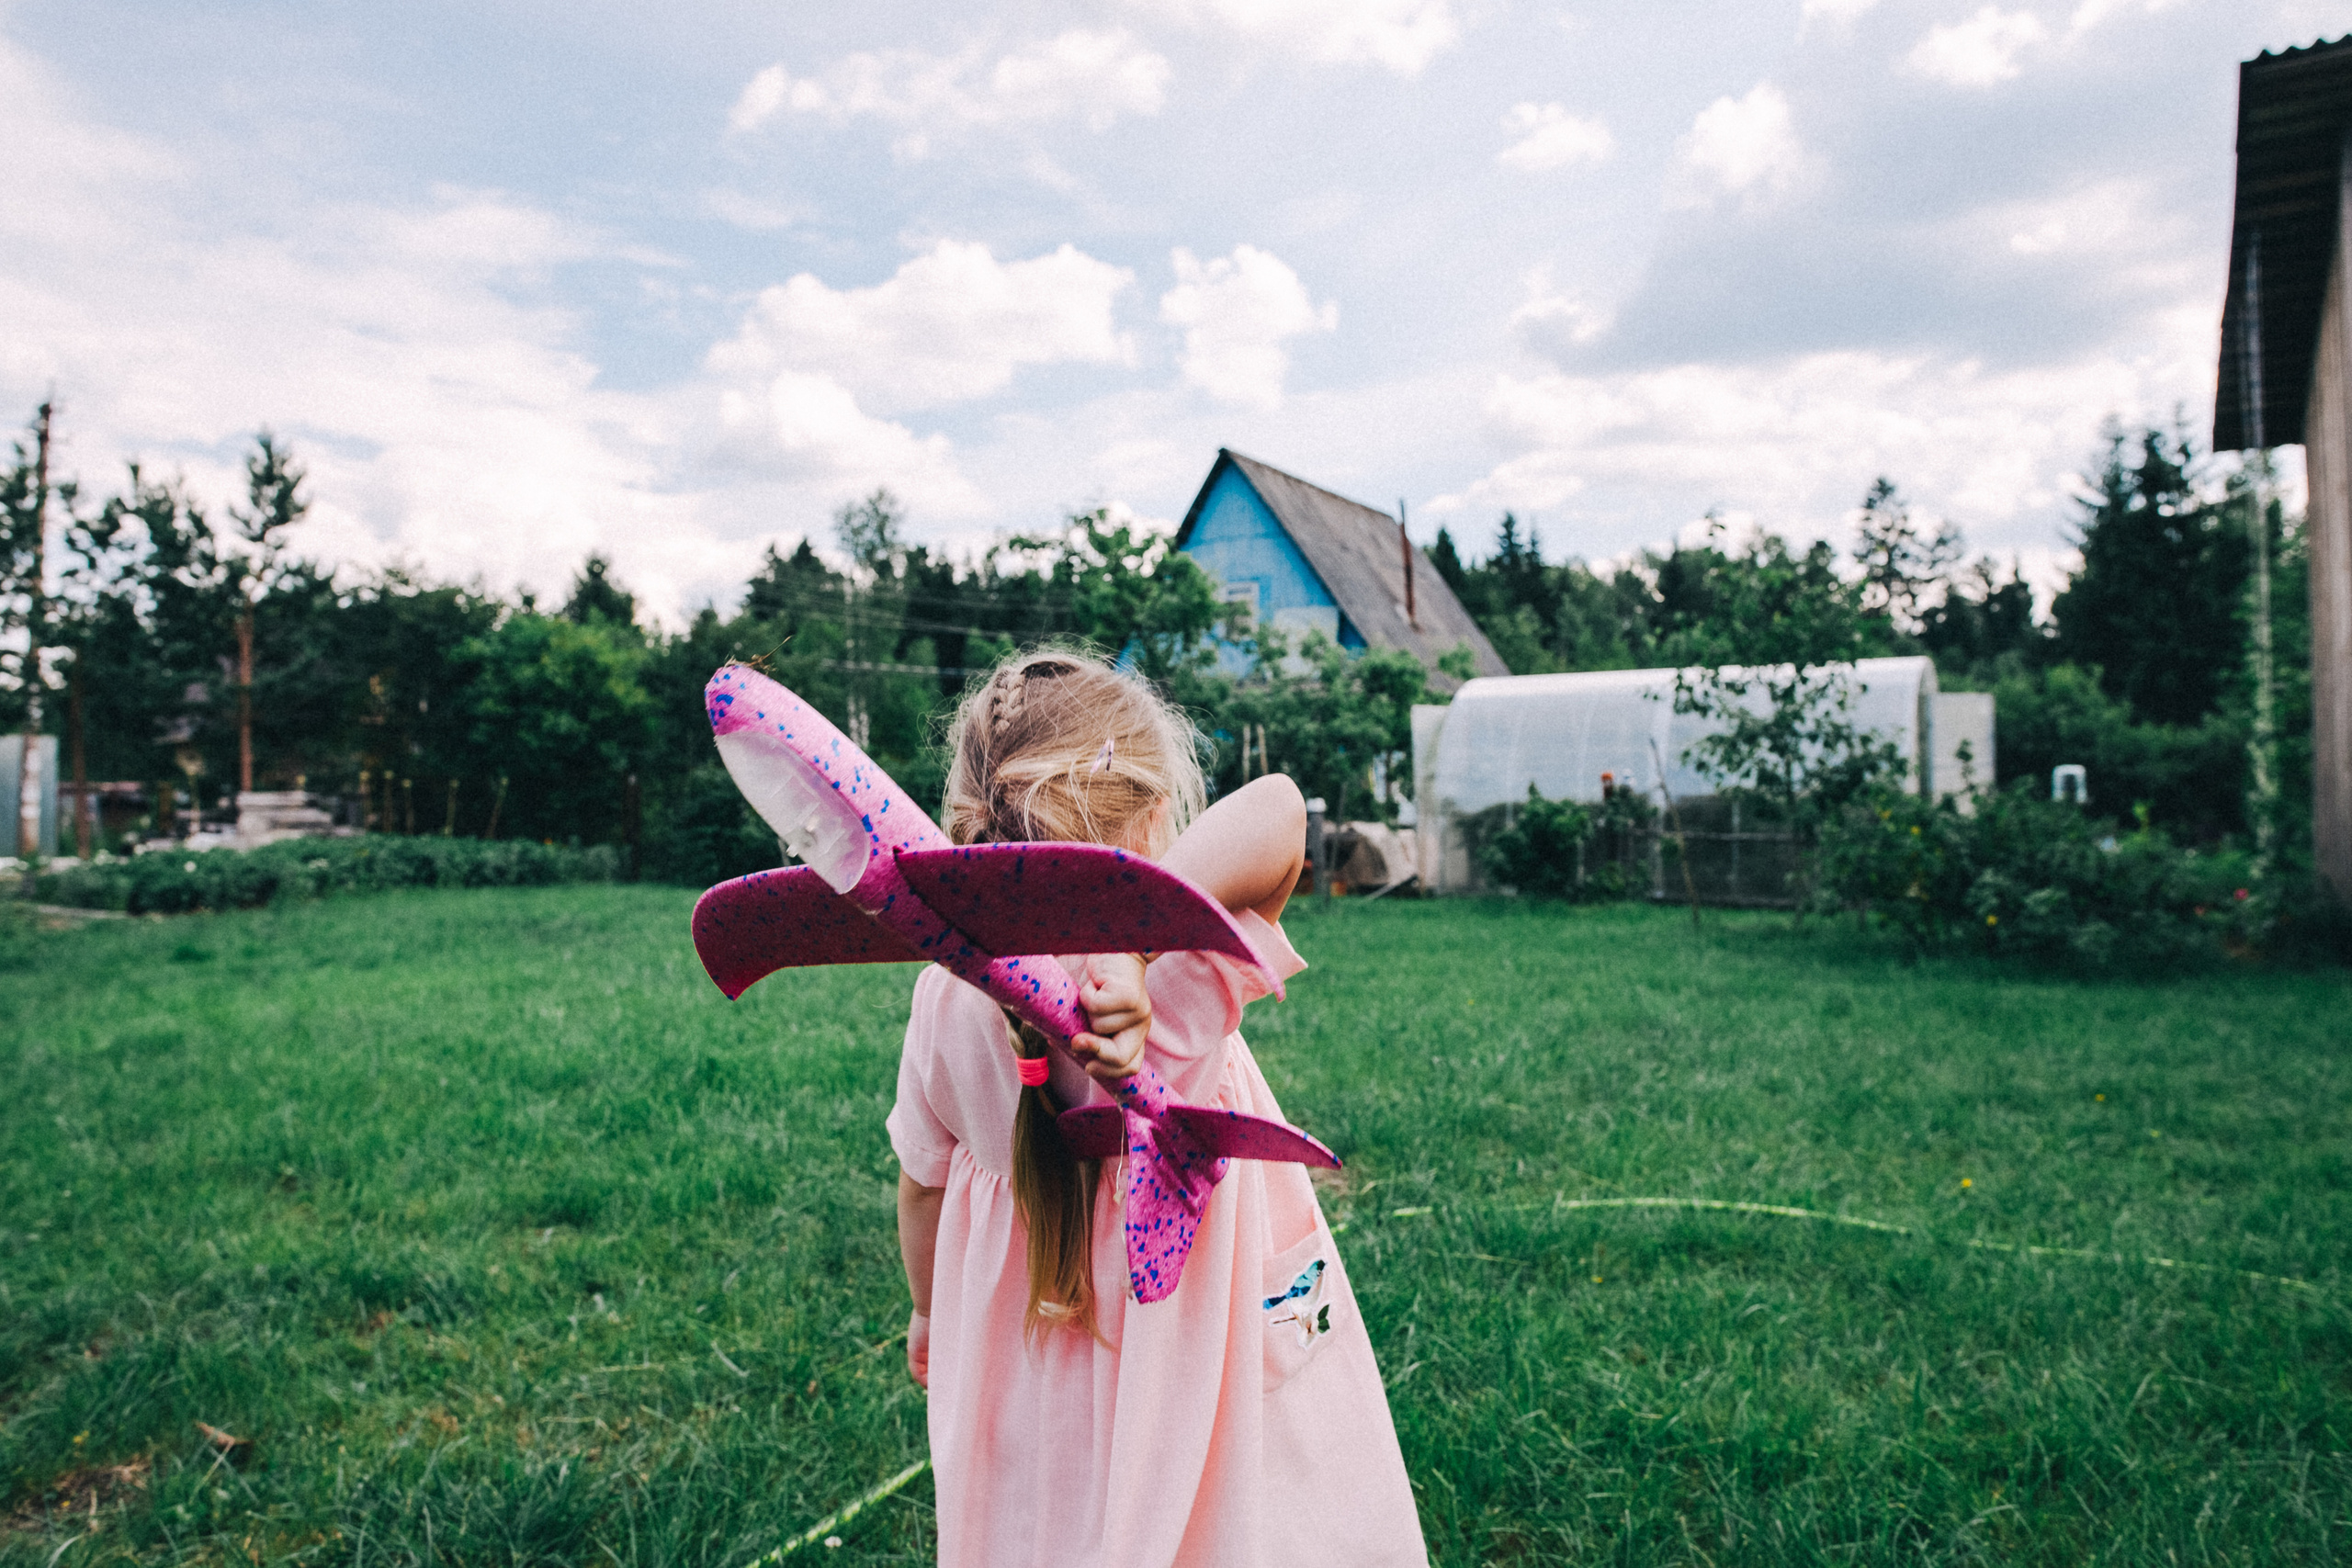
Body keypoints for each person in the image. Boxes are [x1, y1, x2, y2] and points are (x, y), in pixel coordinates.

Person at [888, 649, 1428, 1568]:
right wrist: (1140, 942)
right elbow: (1280, 811)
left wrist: (931, 1318)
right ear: (1149, 830)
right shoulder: (1168, 987)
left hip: (1019, 1357)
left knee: (1046, 1522)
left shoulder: (945, 998)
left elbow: (923, 1191)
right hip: (1182, 1379)